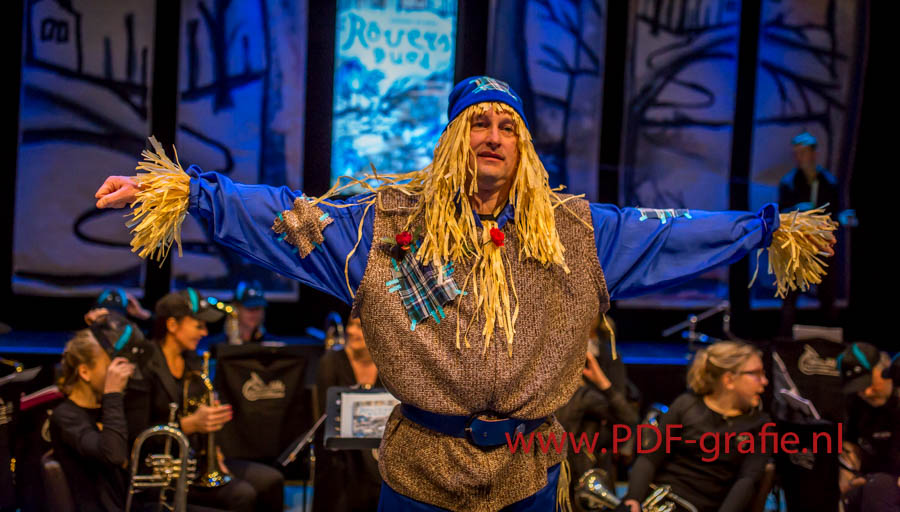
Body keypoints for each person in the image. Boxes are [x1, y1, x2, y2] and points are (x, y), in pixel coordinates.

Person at [95, 76, 834, 511]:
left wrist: (766, 229)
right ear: (453, 139)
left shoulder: (577, 233)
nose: (492, 135)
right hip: (420, 472)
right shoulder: (385, 227)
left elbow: (671, 232)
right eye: (477, 123)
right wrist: (186, 190)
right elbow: (282, 214)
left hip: (527, 476)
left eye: (507, 125)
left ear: (523, 146)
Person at [124, 289, 284, 512]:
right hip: (159, 471)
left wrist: (215, 452)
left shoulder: (192, 361)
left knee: (273, 480)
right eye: (198, 326)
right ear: (172, 325)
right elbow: (135, 435)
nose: (204, 332)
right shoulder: (144, 365)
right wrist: (189, 425)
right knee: (242, 495)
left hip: (194, 462)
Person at [622, 341, 771, 512]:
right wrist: (633, 499)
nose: (765, 381)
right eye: (756, 374)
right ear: (729, 380)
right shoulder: (686, 405)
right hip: (662, 498)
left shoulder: (760, 425)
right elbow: (650, 458)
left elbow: (747, 481)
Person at [49, 328, 135, 512]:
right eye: (108, 365)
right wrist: (113, 393)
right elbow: (114, 455)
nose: (117, 373)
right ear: (85, 372)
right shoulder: (65, 416)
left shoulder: (106, 409)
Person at [556, 317, 638, 505]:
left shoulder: (587, 393)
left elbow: (628, 417)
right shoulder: (567, 394)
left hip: (587, 464)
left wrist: (602, 382)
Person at [777, 132, 845, 335]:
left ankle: (828, 339)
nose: (799, 157)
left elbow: (836, 212)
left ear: (814, 154)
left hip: (821, 244)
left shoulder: (829, 182)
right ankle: (785, 340)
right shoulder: (789, 182)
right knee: (790, 294)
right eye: (796, 153)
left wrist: (838, 218)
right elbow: (780, 215)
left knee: (827, 294)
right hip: (797, 246)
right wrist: (798, 210)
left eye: (803, 152)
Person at [313, 316, 383, 512]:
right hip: (341, 449)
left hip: (380, 444)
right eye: (350, 325)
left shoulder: (387, 362)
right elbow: (326, 416)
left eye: (359, 326)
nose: (351, 331)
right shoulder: (331, 361)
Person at [838, 342, 900, 512]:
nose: (866, 393)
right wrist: (850, 477)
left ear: (885, 370)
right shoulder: (856, 406)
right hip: (873, 478)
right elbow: (850, 446)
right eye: (858, 388)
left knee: (877, 489)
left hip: (888, 483)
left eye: (869, 383)